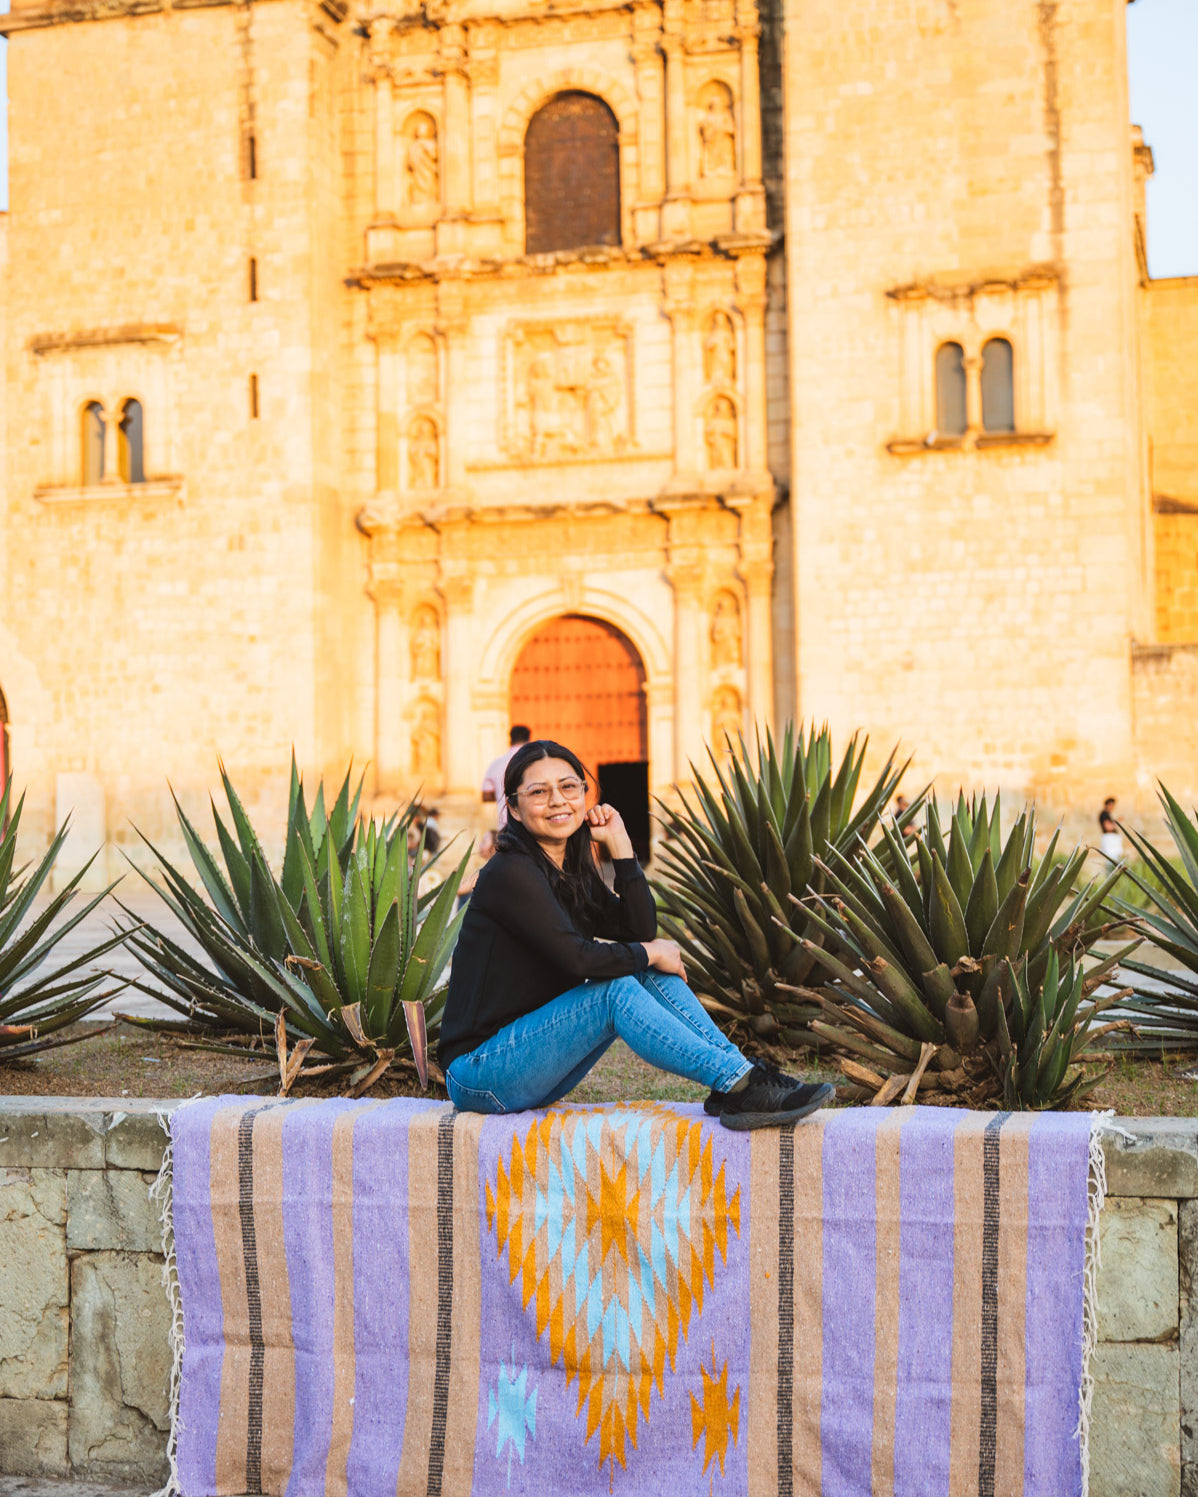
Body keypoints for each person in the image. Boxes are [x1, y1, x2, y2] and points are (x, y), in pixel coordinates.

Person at [438, 739, 834, 1130]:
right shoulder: (511, 872)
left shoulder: (567, 870)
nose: (557, 800)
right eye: (538, 792)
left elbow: (639, 929)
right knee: (616, 989)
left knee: (646, 970)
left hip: (530, 1063)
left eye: (569, 786)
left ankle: (737, 1080)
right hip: (479, 1073)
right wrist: (652, 951)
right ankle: (738, 1081)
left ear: (585, 794)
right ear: (515, 810)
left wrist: (622, 846)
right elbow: (578, 958)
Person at [482, 725, 531, 827]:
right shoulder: (533, 761)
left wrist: (501, 794)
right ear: (528, 739)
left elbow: (485, 795)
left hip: (505, 823)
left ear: (510, 739)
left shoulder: (496, 764)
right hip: (530, 822)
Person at [1099, 797, 1124, 862]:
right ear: (1109, 804)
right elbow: (1108, 828)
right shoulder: (1104, 814)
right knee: (1112, 859)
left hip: (1111, 839)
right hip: (1110, 840)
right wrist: (1117, 821)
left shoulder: (1107, 814)